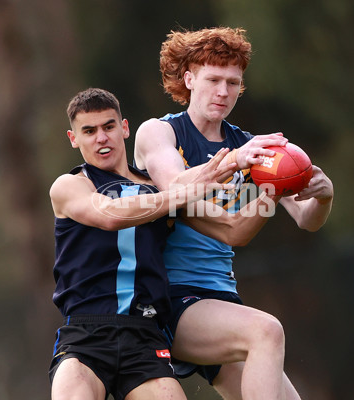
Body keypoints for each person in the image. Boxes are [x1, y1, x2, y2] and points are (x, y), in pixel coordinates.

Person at [133, 27, 334, 400]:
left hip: (221, 299)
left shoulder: (250, 146)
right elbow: (174, 187)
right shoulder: (159, 133)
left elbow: (306, 219)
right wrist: (233, 162)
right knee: (266, 330)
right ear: (189, 79)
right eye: (213, 80)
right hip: (169, 298)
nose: (223, 92)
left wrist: (322, 197)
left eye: (233, 82)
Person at [48, 88, 240, 400]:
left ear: (124, 129)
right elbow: (110, 215)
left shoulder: (158, 189)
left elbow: (233, 230)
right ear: (73, 138)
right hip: (85, 335)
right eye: (89, 131)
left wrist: (276, 190)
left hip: (145, 336)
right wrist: (183, 192)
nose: (101, 138)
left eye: (109, 127)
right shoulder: (71, 186)